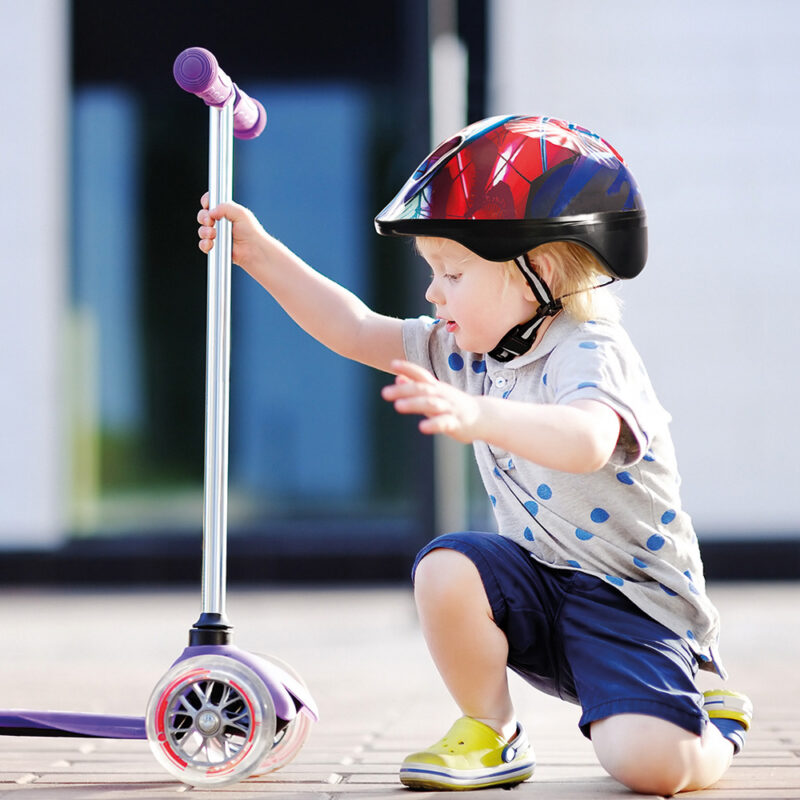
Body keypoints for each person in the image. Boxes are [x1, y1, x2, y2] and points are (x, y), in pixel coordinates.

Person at [196, 115, 752, 794]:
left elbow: (587, 440)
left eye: (452, 271)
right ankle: (492, 732)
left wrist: (477, 413)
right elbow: (353, 327)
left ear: (536, 273)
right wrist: (258, 253)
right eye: (432, 271)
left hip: (634, 609)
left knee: (649, 768)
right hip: (543, 587)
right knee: (447, 566)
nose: (433, 292)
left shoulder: (591, 349)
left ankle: (712, 718)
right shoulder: (467, 348)